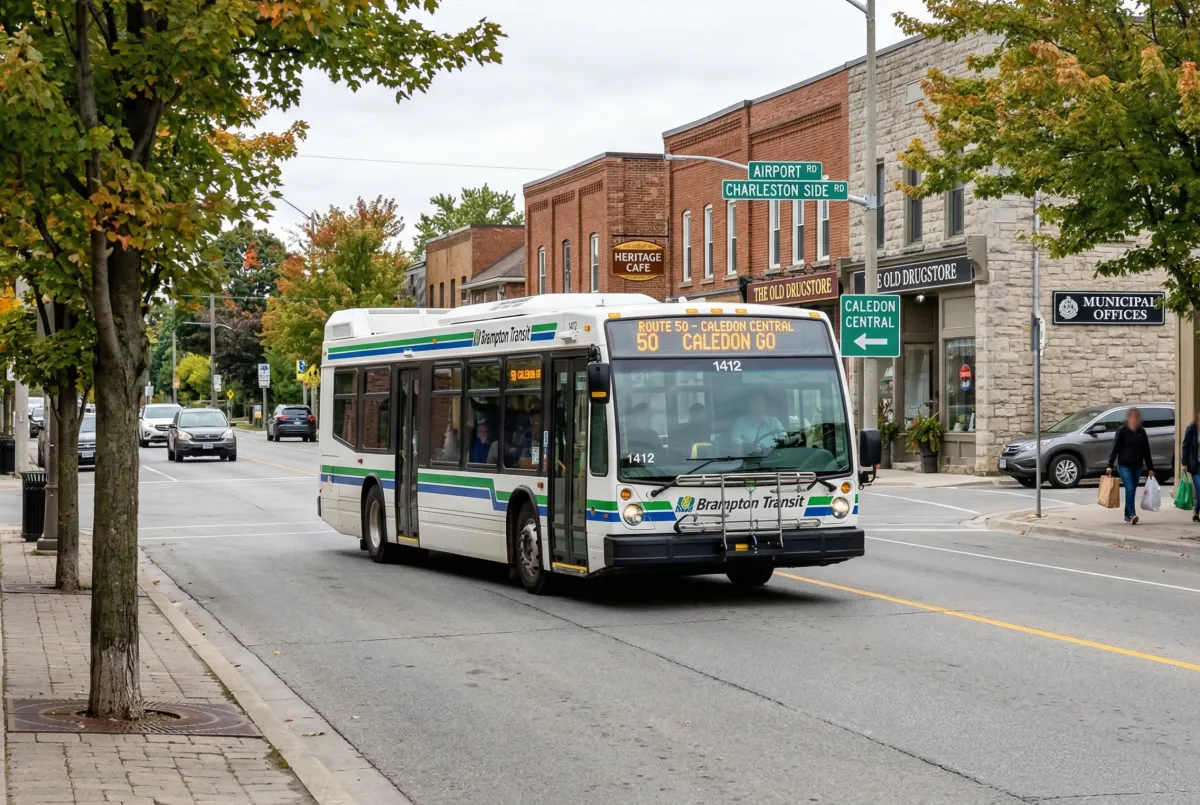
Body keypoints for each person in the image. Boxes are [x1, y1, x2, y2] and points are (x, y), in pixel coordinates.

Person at [1106, 407, 1154, 525]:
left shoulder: (1141, 432)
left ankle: (1127, 515)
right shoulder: (1122, 431)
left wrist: (1150, 468)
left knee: (1132, 490)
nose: (1135, 420)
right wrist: (1110, 465)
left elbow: (1146, 451)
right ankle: (1133, 514)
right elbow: (1115, 448)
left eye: (1137, 418)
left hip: (1137, 465)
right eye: (1132, 417)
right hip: (1124, 465)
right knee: (1130, 488)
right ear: (1128, 419)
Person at [1181, 408, 1200, 522]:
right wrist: (1184, 463)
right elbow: (1185, 446)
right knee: (1199, 488)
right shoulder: (1192, 429)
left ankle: (1196, 511)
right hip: (1195, 464)